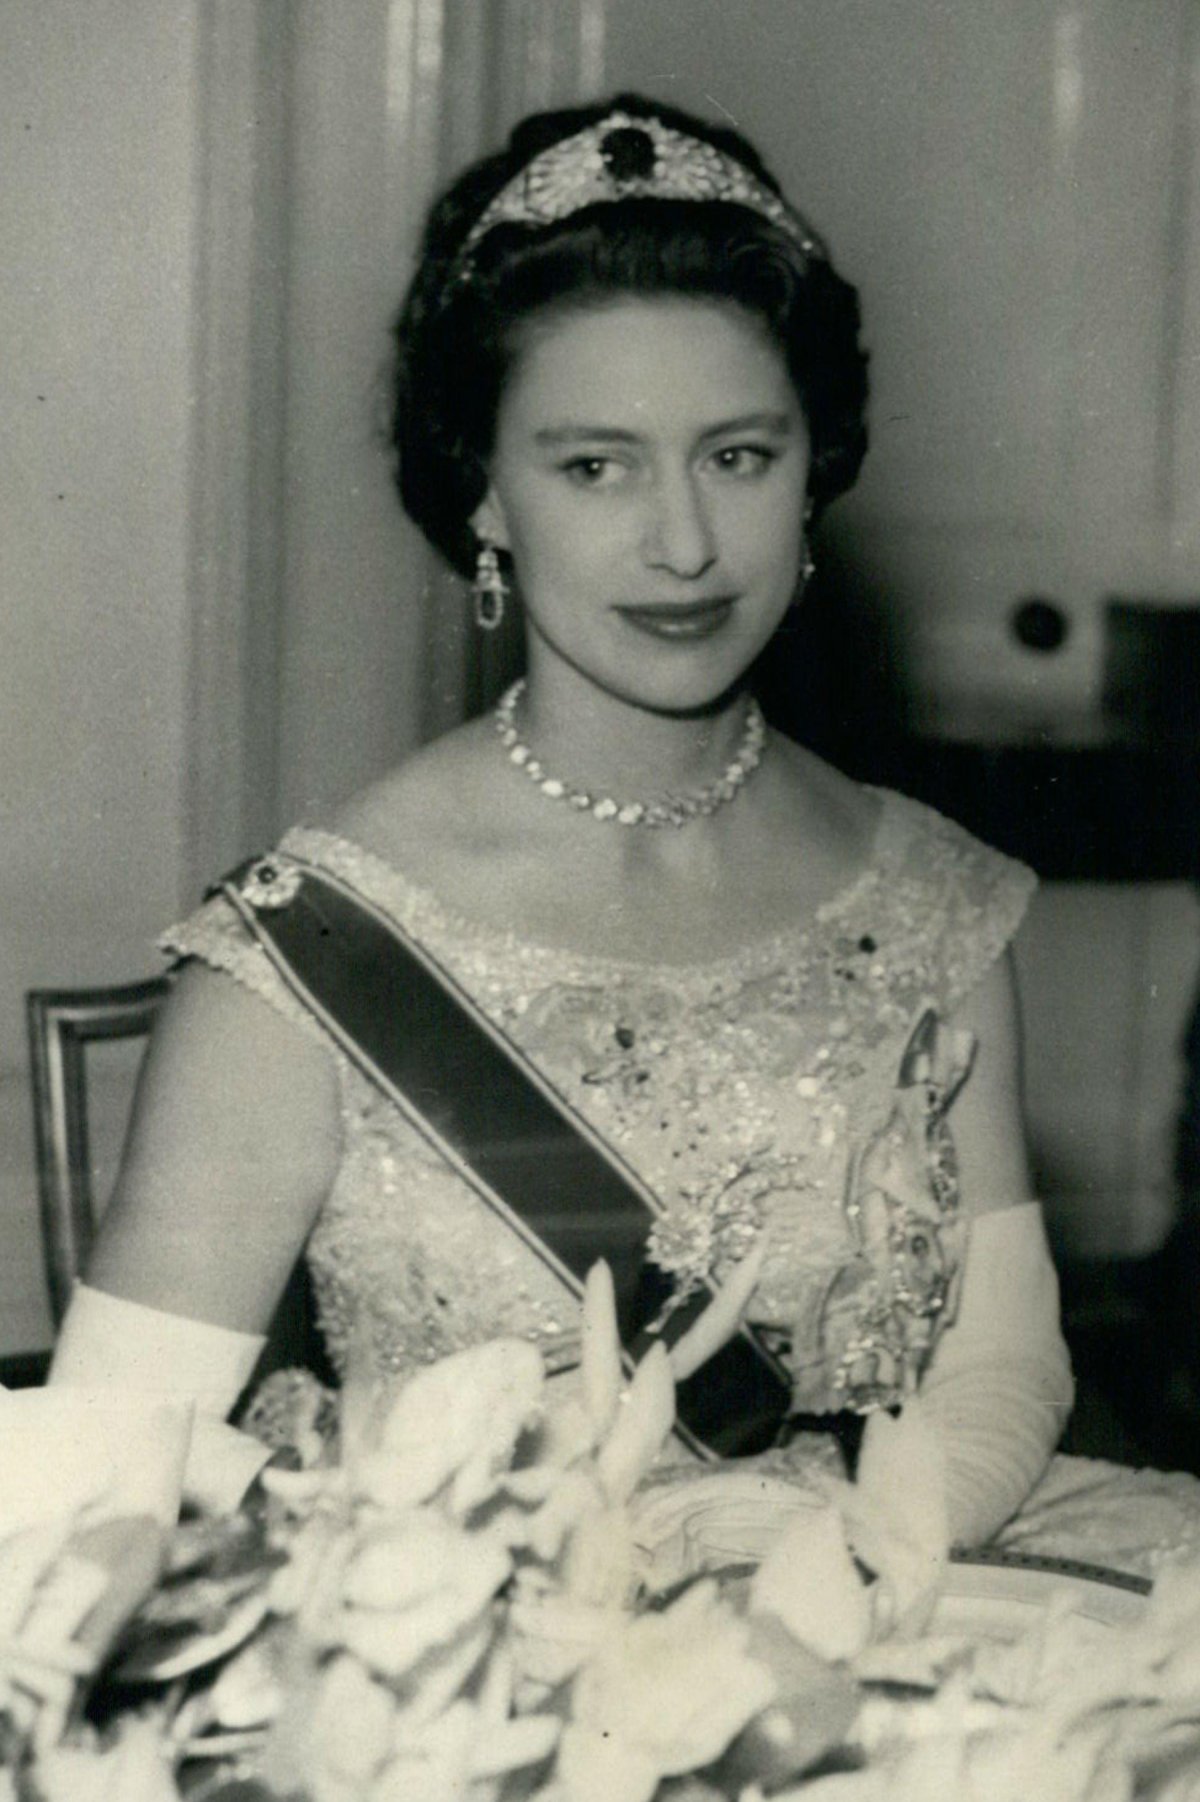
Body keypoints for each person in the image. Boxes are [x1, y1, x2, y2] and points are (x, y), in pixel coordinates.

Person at [49, 93, 1072, 1543]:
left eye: (739, 455)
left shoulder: (934, 904)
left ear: (813, 472)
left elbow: (999, 1370)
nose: (685, 544)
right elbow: (107, 1461)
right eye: (595, 466)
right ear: (484, 494)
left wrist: (839, 1569)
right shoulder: (304, 956)